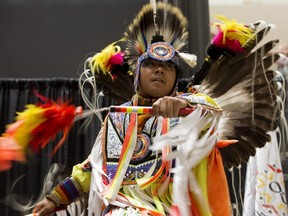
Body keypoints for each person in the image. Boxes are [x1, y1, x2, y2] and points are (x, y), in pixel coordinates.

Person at [30, 2, 287, 216]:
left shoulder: (191, 115)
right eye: (151, 65)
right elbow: (93, 169)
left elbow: (211, 114)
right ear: (137, 75)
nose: (160, 70)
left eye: (168, 67)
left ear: (176, 80)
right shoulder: (118, 118)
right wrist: (54, 199)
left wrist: (184, 104)